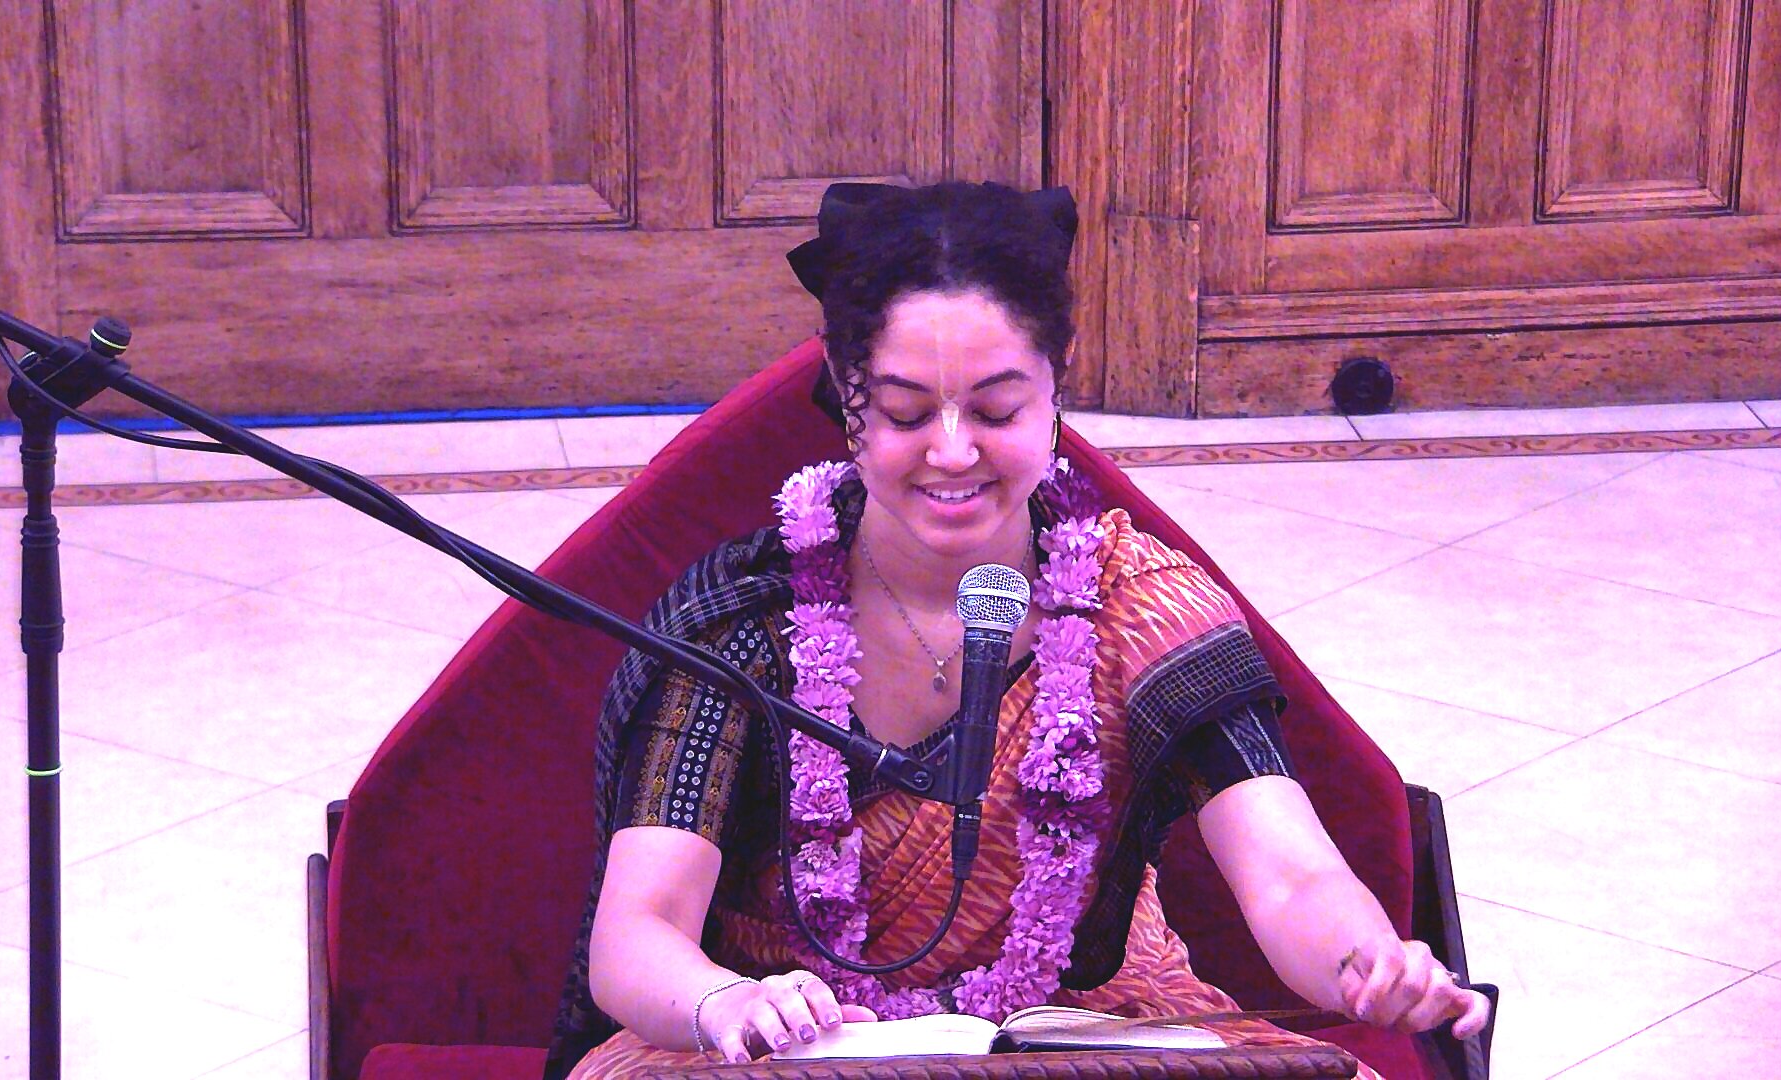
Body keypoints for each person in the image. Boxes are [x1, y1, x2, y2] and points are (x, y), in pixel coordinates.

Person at [545, 182, 1490, 1079]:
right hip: (795, 1050)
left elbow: (1290, 879)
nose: (954, 451)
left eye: (998, 410)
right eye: (907, 412)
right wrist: (723, 1003)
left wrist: (1367, 962)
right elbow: (637, 934)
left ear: (1056, 387)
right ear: (846, 394)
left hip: (1089, 1035)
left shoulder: (1141, 607)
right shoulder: (744, 623)